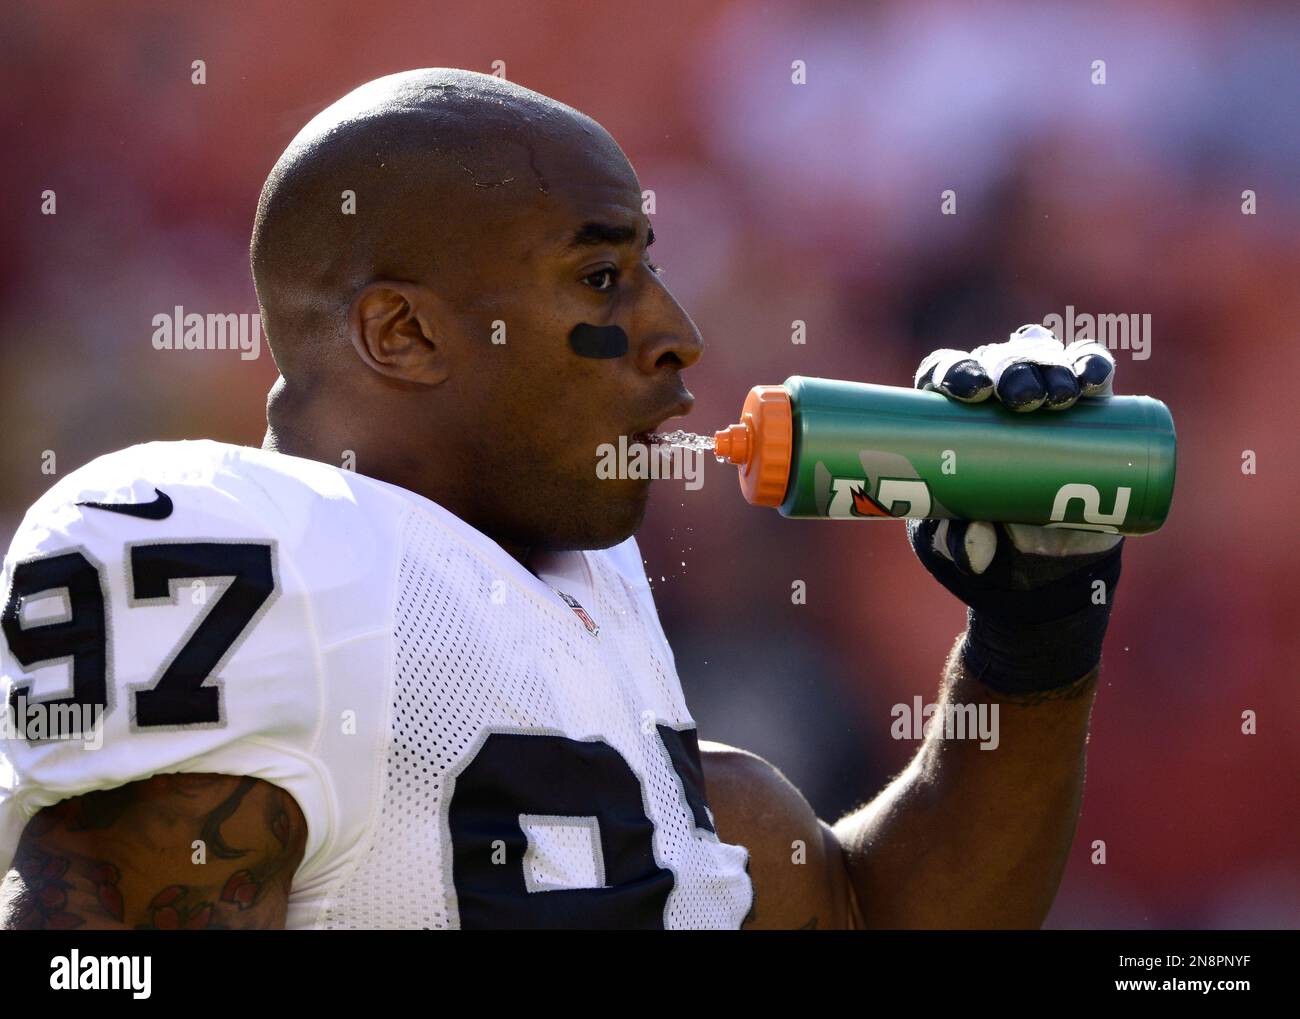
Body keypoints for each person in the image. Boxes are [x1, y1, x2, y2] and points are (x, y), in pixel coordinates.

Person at [0, 69, 1124, 929]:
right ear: (405, 332)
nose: (676, 329)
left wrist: (1033, 632)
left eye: (650, 265)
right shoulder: (231, 549)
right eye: (602, 278)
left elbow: (862, 914)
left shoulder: (578, 596)